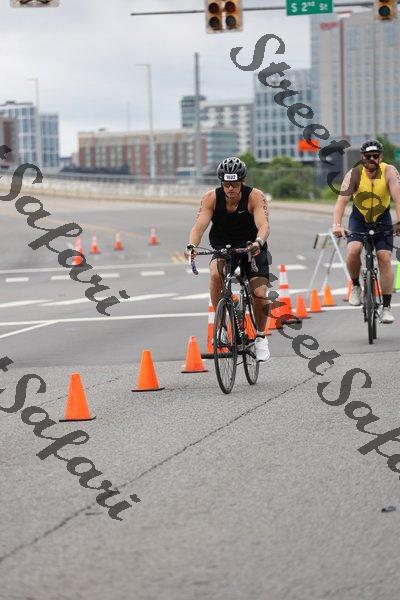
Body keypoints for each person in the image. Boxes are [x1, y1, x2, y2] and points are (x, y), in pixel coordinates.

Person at [184, 156, 271, 361]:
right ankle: (222, 326)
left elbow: (264, 225)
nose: (230, 189)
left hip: (251, 247)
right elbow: (199, 226)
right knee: (215, 274)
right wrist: (191, 246)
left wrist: (258, 242)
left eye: (234, 185)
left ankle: (260, 337)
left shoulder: (255, 196)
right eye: (226, 184)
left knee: (259, 293)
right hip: (223, 247)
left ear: (242, 182)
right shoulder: (211, 198)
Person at [332, 139, 400, 323]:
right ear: (362, 157)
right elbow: (341, 202)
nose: (371, 159)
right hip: (359, 218)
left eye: (375, 156)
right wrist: (337, 225)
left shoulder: (389, 171)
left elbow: (398, 198)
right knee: (353, 250)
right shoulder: (354, 174)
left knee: (384, 257)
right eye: (368, 156)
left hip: (382, 218)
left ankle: (386, 307)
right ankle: (355, 286)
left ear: (380, 157)